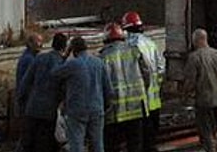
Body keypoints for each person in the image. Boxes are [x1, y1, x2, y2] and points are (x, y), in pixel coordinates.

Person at [52, 35, 112, 152]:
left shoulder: (72, 64)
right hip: (96, 109)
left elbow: (54, 74)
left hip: (77, 110)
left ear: (73, 50)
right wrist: (106, 105)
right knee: (98, 144)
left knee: (76, 144)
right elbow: (107, 88)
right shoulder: (98, 62)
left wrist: (64, 56)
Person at [100, 22, 149, 152]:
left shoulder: (103, 57)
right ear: (122, 37)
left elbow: (101, 86)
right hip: (136, 109)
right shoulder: (135, 51)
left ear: (106, 39)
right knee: (135, 145)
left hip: (115, 112)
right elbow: (147, 74)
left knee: (112, 145)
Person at [17, 32, 68, 152]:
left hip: (32, 109)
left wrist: (20, 101)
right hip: (48, 113)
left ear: (52, 44)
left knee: (28, 144)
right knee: (44, 145)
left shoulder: (39, 58)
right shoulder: (63, 64)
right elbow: (64, 89)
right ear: (64, 47)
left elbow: (25, 82)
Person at [122, 11, 164, 152]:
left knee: (137, 139)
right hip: (154, 99)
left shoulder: (129, 46)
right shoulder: (151, 43)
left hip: (140, 101)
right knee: (151, 138)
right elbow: (160, 68)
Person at [184, 28, 217, 152]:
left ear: (196, 40)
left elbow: (190, 81)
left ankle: (211, 149)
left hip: (204, 100)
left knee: (207, 130)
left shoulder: (194, 57)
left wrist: (185, 95)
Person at [14, 32, 43, 150]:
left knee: (28, 132)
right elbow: (30, 81)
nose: (40, 45)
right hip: (28, 98)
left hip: (27, 97)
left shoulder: (29, 57)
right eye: (37, 42)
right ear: (30, 43)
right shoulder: (29, 60)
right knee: (28, 132)